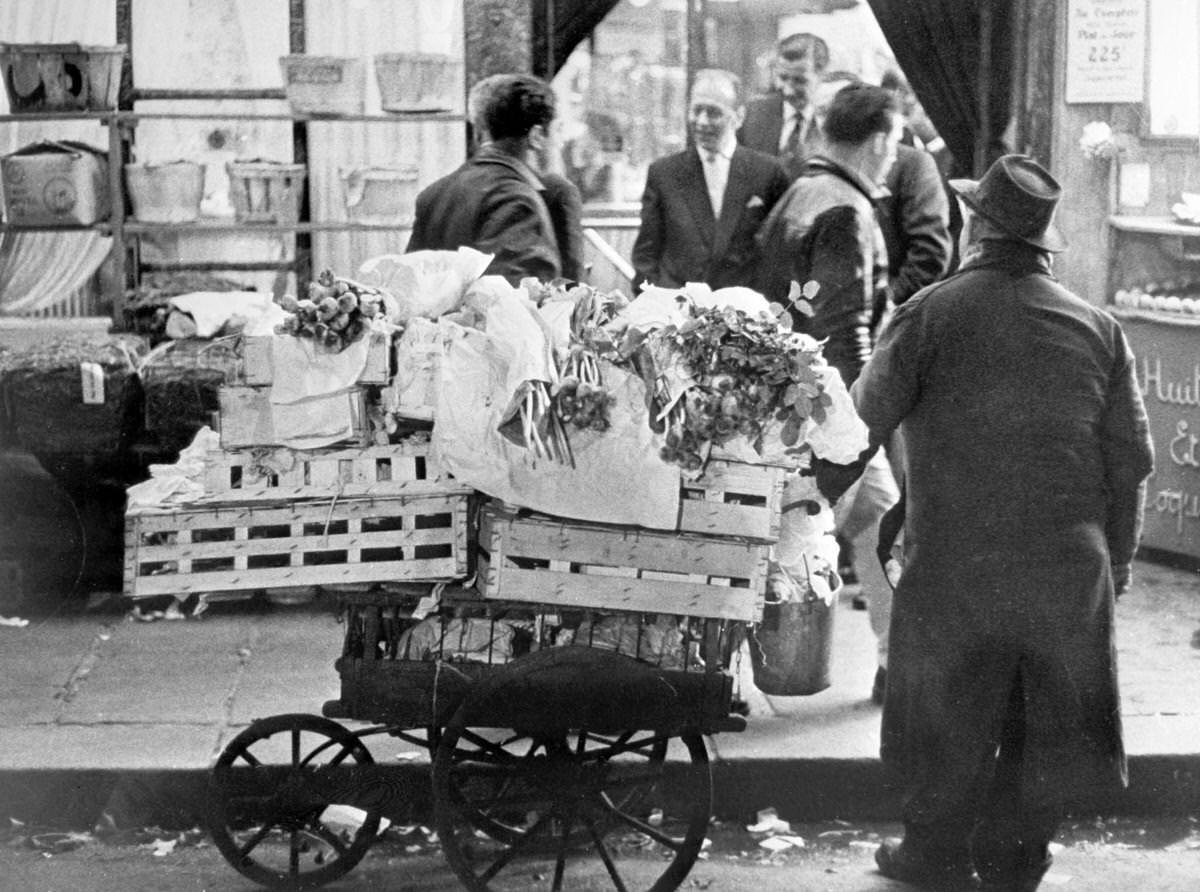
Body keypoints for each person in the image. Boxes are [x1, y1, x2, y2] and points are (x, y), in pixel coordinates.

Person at [852, 155, 1154, 891]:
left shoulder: (926, 313)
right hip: (1065, 564)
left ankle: (933, 851)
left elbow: (857, 422)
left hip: (958, 560)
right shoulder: (1099, 329)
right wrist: (1115, 564)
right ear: (1042, 242)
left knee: (947, 707)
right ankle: (1020, 854)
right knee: (1042, 714)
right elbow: (1133, 463)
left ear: (975, 228)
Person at [756, 82, 904, 699]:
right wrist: (868, 426)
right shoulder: (847, 210)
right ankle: (897, 668)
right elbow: (847, 330)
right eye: (894, 141)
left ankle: (894, 664)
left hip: (789, 395)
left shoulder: (801, 191)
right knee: (873, 520)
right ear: (875, 141)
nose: (896, 155)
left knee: (859, 525)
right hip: (830, 405)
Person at [631, 68, 789, 293]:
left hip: (746, 317)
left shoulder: (768, 173)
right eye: (696, 111)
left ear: (739, 116)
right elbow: (646, 255)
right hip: (677, 315)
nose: (702, 122)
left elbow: (781, 256)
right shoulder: (663, 173)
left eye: (714, 112)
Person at [407, 73, 563, 285]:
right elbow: (516, 301)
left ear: (481, 131)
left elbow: (409, 283)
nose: (560, 144)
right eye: (557, 131)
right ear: (536, 136)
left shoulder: (435, 193)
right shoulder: (518, 201)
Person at [739, 32, 830, 180]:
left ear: (822, 75)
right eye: (783, 78)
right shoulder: (752, 114)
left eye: (800, 81)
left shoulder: (835, 121)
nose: (788, 90)